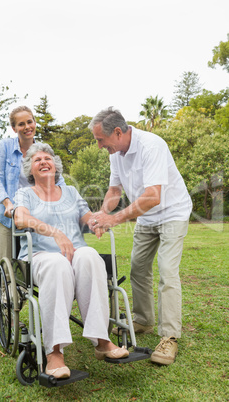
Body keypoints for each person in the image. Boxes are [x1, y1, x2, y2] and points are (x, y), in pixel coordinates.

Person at [13, 142, 129, 379]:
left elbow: (87, 217)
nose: (44, 161)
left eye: (48, 158)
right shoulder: (25, 193)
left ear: (55, 165)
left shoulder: (71, 193)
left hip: (74, 253)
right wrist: (53, 232)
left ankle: (102, 340)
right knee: (57, 265)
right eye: (37, 160)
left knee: (90, 256)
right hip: (40, 256)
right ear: (30, 170)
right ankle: (54, 351)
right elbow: (20, 218)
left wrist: (96, 222)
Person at [88, 107, 192, 366]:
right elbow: (114, 190)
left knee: (167, 271)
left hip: (172, 212)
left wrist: (116, 218)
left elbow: (153, 196)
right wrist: (102, 214)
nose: (100, 146)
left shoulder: (151, 146)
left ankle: (169, 337)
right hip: (147, 217)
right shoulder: (117, 153)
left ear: (118, 132)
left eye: (101, 140)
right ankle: (144, 319)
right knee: (138, 267)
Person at [0, 106, 65, 328]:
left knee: (24, 265)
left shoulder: (42, 149)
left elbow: (56, 177)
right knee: (5, 265)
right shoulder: (4, 146)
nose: (27, 127)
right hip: (5, 214)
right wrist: (7, 202)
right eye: (21, 124)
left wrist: (67, 198)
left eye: (29, 122)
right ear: (14, 128)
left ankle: (9, 305)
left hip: (30, 215)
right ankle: (4, 312)